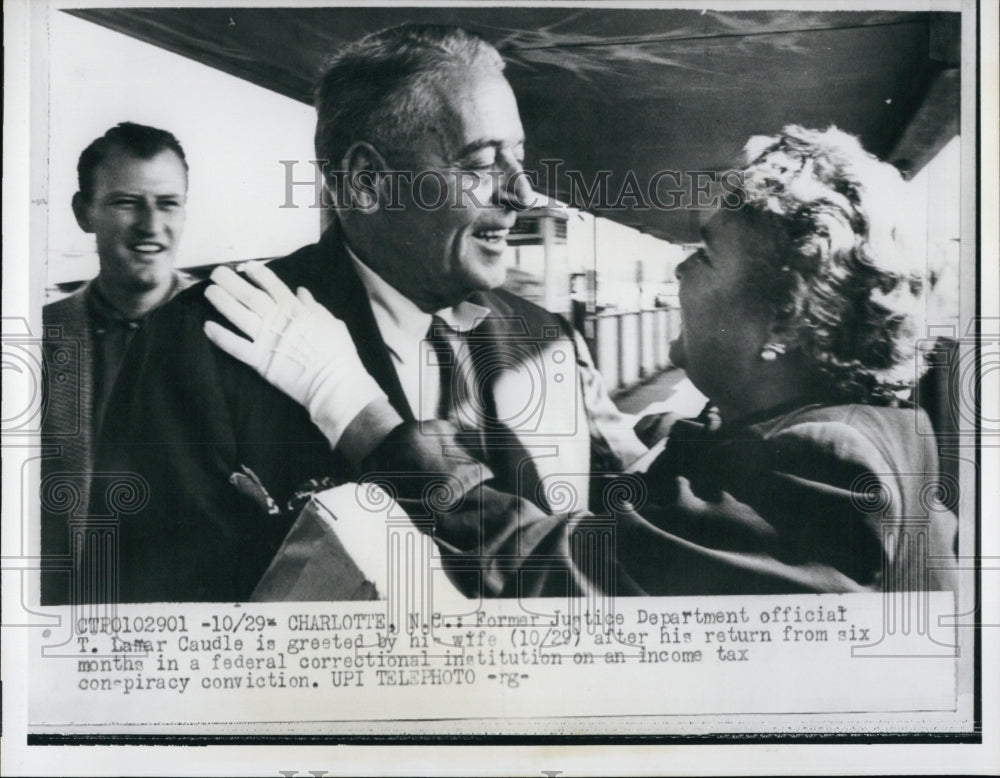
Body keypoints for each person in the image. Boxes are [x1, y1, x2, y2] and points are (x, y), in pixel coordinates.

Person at [207, 125, 957, 596]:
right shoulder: (870, 433)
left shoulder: (828, 468)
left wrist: (352, 406)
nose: (680, 270)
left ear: (784, 317)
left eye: (706, 253)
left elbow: (559, 576)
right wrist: (659, 447)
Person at [88, 24, 645, 603]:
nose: (523, 193)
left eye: (519, 158)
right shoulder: (200, 342)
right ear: (367, 181)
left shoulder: (550, 340)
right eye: (482, 164)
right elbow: (144, 614)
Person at [41, 122, 192, 604]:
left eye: (168, 203)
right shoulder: (37, 340)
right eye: (127, 202)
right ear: (84, 212)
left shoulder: (232, 330)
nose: (151, 224)